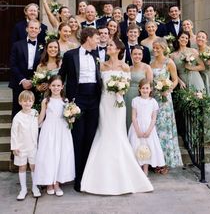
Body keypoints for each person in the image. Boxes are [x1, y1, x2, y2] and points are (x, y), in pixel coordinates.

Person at [81, 37, 153, 195]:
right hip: (105, 103)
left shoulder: (125, 67)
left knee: (117, 134)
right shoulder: (101, 65)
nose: (108, 47)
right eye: (108, 45)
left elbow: (126, 87)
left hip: (118, 105)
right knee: (104, 133)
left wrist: (120, 90)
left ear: (119, 49)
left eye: (111, 45)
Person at [59, 28, 101, 192]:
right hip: (77, 100)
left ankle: (88, 177)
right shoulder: (70, 55)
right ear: (88, 38)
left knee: (90, 138)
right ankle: (78, 178)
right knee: (78, 138)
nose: (99, 40)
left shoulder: (96, 56)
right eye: (97, 37)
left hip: (94, 100)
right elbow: (61, 76)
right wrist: (59, 96)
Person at [34, 75, 75, 196]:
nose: (56, 88)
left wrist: (72, 117)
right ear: (49, 86)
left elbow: (69, 118)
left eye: (58, 85)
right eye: (53, 85)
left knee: (61, 155)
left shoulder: (66, 101)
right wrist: (35, 124)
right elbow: (42, 116)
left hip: (62, 130)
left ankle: (57, 182)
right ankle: (49, 183)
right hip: (49, 130)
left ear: (62, 86)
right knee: (49, 156)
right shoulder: (46, 101)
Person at [150, 38, 183, 171]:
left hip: (165, 99)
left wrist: (168, 89)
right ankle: (156, 161)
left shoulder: (169, 62)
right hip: (154, 99)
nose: (155, 50)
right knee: (156, 129)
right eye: (154, 47)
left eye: (158, 47)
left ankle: (166, 161)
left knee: (165, 130)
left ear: (163, 48)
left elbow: (174, 80)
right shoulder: (151, 64)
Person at [128, 79, 166, 176]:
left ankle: (145, 170)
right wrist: (137, 130)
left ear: (151, 89)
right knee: (136, 147)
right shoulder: (135, 101)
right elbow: (133, 117)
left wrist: (149, 130)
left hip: (149, 127)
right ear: (139, 89)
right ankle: (137, 170)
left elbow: (153, 118)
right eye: (143, 88)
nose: (145, 90)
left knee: (148, 148)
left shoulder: (153, 102)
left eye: (147, 88)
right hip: (137, 127)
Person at [11, 90, 41, 200]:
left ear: (33, 101)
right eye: (24, 101)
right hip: (21, 147)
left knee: (34, 166)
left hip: (33, 146)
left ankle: (34, 187)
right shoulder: (17, 117)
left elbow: (39, 124)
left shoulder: (35, 112)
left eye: (30, 101)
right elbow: (14, 133)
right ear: (20, 102)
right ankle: (23, 189)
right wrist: (14, 147)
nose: (27, 103)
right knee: (22, 167)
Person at [9, 19, 43, 118]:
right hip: (19, 81)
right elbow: (13, 64)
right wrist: (23, 80)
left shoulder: (44, 46)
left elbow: (45, 65)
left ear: (39, 30)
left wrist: (36, 81)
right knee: (17, 109)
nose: (33, 30)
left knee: (35, 110)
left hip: (37, 83)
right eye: (31, 27)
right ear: (27, 29)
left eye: (36, 28)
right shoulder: (17, 45)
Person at [125, 45, 153, 130]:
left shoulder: (147, 67)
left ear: (142, 55)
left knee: (140, 118)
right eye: (135, 54)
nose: (137, 56)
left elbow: (150, 84)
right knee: (129, 116)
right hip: (128, 96)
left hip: (141, 96)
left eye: (139, 54)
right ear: (131, 55)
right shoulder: (128, 68)